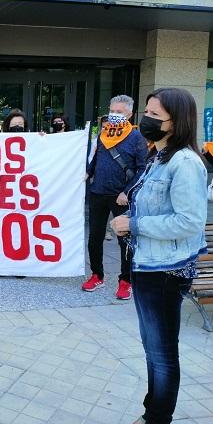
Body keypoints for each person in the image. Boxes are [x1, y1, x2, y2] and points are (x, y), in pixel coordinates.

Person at [111, 88, 207, 424]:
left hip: (165, 272)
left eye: (155, 115)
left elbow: (190, 222)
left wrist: (134, 223)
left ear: (176, 121)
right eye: (146, 112)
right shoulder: (159, 156)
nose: (146, 120)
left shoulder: (185, 163)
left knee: (162, 354)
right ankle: (151, 415)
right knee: (154, 349)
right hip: (147, 265)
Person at [85, 95, 148, 300]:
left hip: (121, 197)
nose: (114, 115)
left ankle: (125, 280)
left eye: (119, 112)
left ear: (129, 114)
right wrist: (88, 173)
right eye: (112, 111)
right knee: (95, 237)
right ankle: (97, 274)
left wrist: (126, 192)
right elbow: (96, 159)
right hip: (98, 193)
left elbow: (142, 169)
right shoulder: (104, 134)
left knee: (124, 240)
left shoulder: (137, 138)